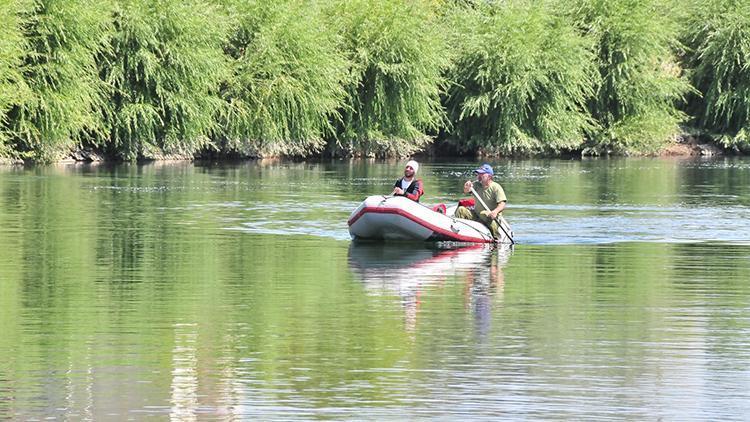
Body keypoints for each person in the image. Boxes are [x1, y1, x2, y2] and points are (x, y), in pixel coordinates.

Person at [455, 163, 507, 239]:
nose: (479, 176)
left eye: (482, 174)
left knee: (493, 224)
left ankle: (496, 240)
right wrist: (466, 187)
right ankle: (459, 231)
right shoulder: (476, 184)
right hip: (477, 214)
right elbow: (466, 191)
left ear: (489, 176)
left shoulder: (496, 187)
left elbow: (502, 204)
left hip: (489, 217)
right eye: (478, 174)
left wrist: (495, 212)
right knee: (461, 210)